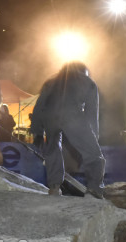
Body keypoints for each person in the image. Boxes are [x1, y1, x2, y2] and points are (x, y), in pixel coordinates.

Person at [31, 61, 105, 198]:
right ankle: (94, 189)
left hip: (50, 117)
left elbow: (39, 105)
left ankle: (54, 188)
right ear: (84, 71)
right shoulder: (88, 82)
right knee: (94, 155)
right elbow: (91, 113)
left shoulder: (51, 81)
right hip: (72, 115)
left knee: (53, 151)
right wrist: (93, 138)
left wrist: (37, 131)